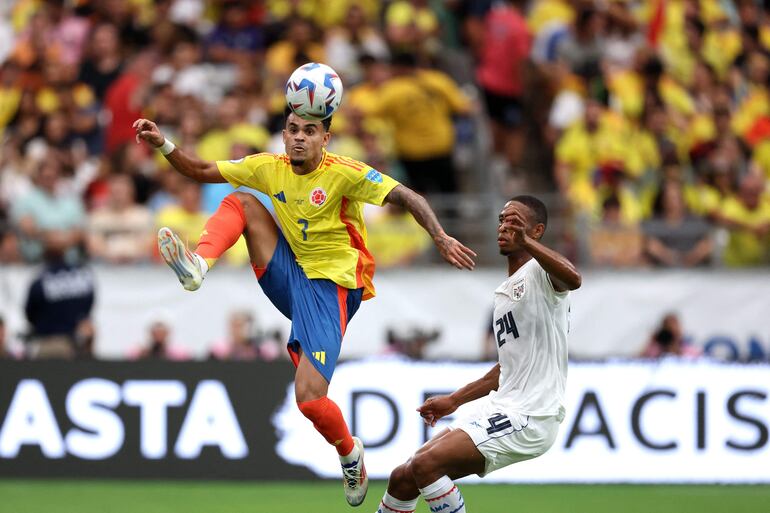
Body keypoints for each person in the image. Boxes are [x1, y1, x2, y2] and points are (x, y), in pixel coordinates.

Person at [133, 107, 476, 507]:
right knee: (241, 201)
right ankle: (199, 266)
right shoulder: (269, 167)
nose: (299, 137)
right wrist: (164, 143)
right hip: (291, 273)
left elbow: (407, 195)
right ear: (283, 134)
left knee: (310, 399)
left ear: (324, 139)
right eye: (293, 129)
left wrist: (440, 236)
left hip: (331, 289)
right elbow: (201, 169)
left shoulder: (344, 172)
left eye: (309, 131)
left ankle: (350, 454)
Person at [375, 196, 581, 513]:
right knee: (403, 476)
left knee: (427, 465)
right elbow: (506, 369)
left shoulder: (542, 275)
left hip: (531, 414)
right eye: (501, 220)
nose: (504, 227)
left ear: (537, 231)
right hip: (502, 406)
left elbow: (573, 278)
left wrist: (525, 241)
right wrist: (453, 400)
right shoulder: (505, 293)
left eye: (515, 222)